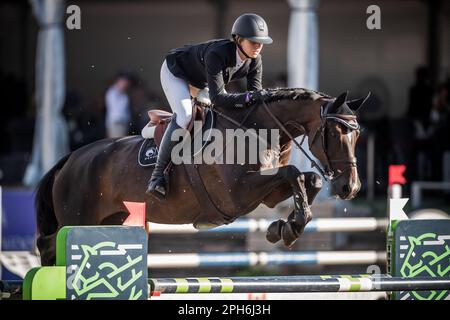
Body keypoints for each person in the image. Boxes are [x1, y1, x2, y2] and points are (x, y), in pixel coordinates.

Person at [146, 13, 273, 199]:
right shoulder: (218, 54)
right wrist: (249, 97)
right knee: (185, 115)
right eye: (253, 41)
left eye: (261, 42)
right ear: (238, 39)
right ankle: (157, 176)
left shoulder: (255, 61)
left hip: (201, 82)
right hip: (177, 72)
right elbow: (219, 99)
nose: (258, 46)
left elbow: (253, 98)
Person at [105, 72, 131, 138]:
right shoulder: (112, 93)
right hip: (116, 123)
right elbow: (117, 110)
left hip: (123, 123)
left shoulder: (124, 94)